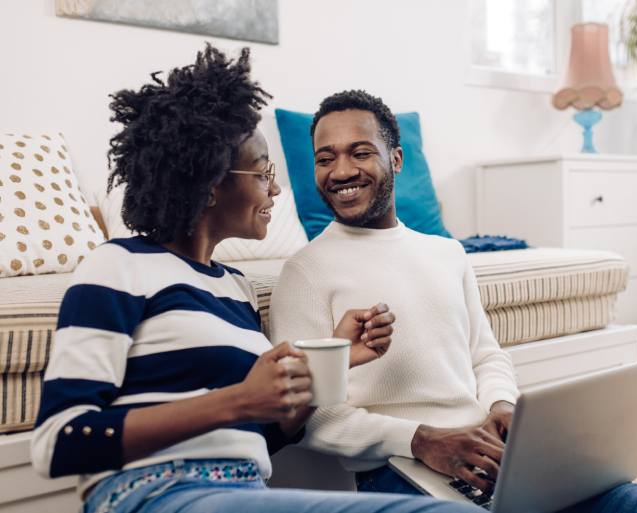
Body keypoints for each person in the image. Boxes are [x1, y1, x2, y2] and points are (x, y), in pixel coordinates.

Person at [30, 46, 480, 513]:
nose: (277, 188)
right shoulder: (118, 265)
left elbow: (267, 439)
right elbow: (56, 443)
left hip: (247, 489)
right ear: (210, 182)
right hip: (154, 492)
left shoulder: (235, 288)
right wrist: (238, 400)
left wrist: (337, 358)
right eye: (264, 171)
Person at [268, 90, 637, 513]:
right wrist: (422, 440)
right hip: (399, 471)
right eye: (325, 158)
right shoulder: (305, 272)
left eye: (360, 153)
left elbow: (486, 354)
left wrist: (503, 405)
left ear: (396, 159)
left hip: (492, 454)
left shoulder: (447, 253)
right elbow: (306, 417)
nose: (341, 171)